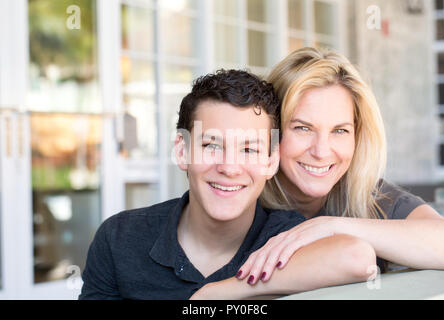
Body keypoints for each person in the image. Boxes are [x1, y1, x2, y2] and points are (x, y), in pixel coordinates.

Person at [79, 69, 376, 300]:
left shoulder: (286, 237)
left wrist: (225, 291)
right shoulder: (119, 239)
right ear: (182, 151)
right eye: (212, 145)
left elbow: (357, 258)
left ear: (271, 160)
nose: (229, 168)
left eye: (249, 150)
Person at [233, 47, 444, 285]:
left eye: (340, 131)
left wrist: (333, 227)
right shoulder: (241, 196)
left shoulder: (371, 197)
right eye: (303, 128)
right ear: (272, 132)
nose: (321, 151)